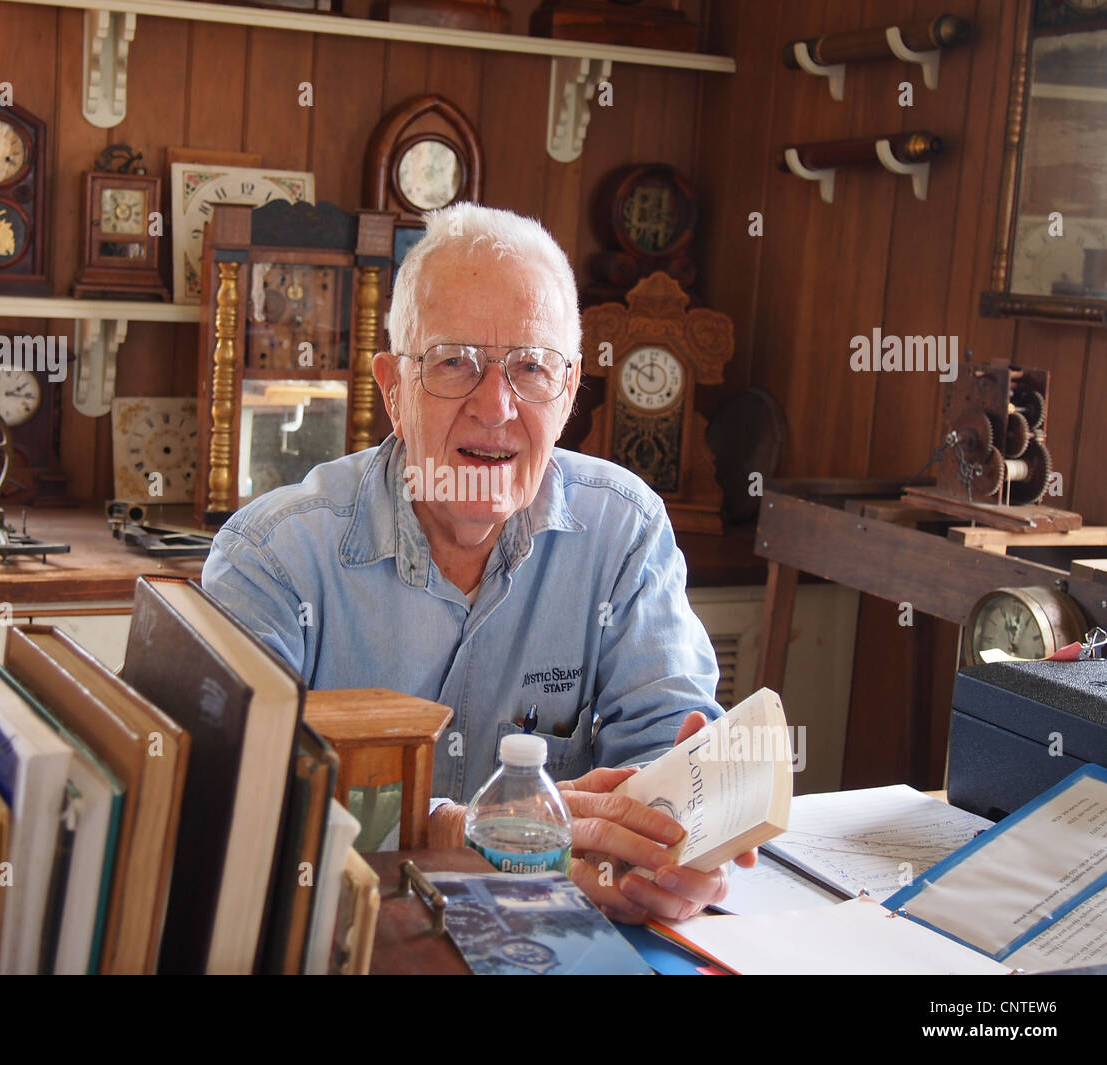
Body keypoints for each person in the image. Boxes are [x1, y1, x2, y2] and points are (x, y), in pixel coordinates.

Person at [201, 203, 755, 924]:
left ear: (568, 393)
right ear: (394, 389)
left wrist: (676, 849)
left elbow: (665, 767)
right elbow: (233, 796)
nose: (495, 406)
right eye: (453, 362)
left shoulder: (624, 533)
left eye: (530, 367)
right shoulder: (272, 559)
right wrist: (448, 832)